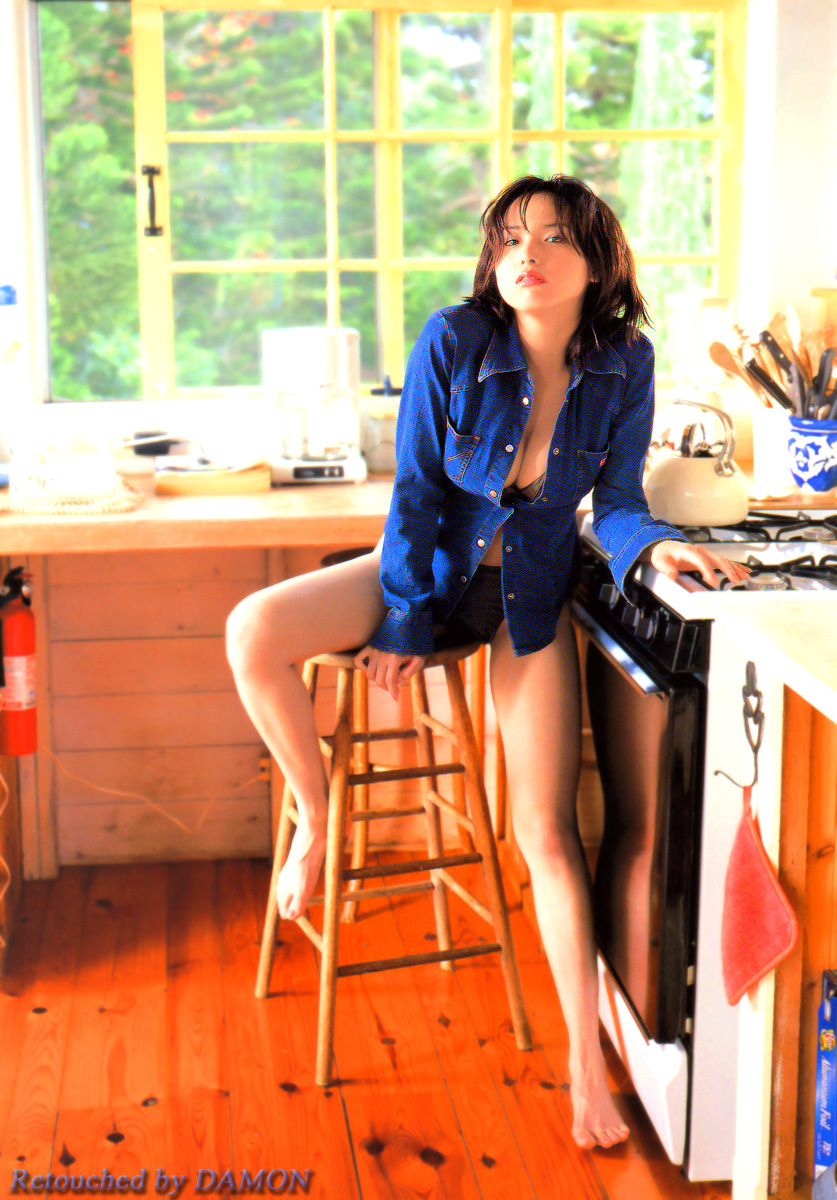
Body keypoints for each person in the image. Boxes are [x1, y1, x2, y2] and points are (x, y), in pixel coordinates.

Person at [226, 174, 749, 1151]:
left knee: (545, 831)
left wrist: (656, 548)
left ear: (597, 261)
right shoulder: (455, 340)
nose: (527, 255)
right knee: (251, 629)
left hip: (526, 602)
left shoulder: (624, 361)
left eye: (552, 237)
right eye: (509, 238)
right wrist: (404, 621)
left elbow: (617, 501)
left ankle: (585, 1070)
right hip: (425, 574)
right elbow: (417, 493)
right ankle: (316, 818)